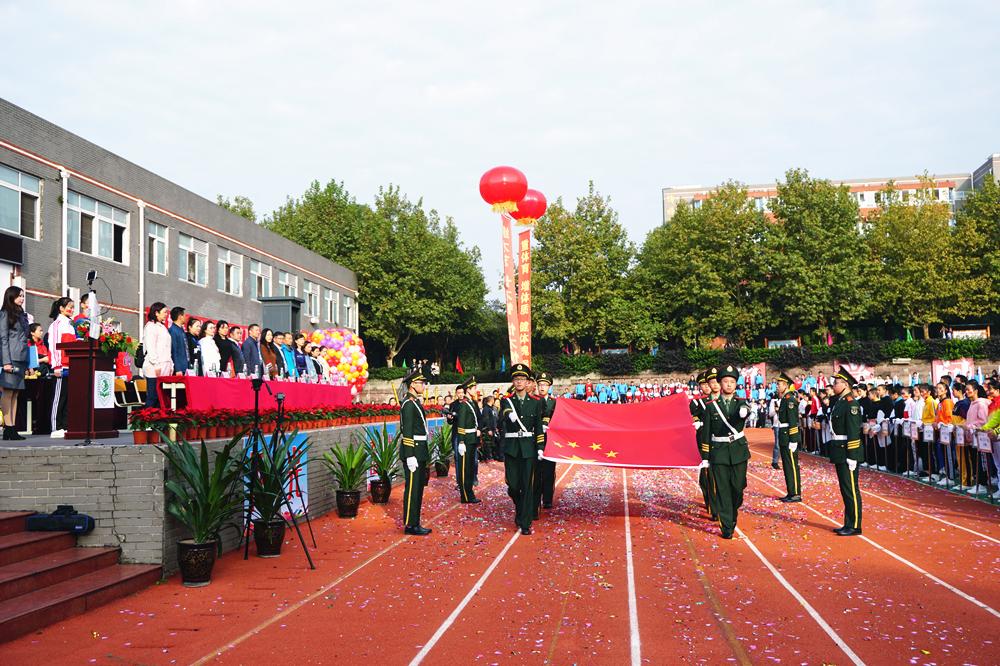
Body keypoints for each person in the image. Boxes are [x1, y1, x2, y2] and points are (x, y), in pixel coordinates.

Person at [698, 365, 750, 539]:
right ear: (720, 384)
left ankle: (733, 510)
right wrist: (705, 458)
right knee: (723, 489)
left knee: (738, 487)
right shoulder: (712, 407)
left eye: (732, 382)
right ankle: (727, 526)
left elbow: (745, 411)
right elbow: (706, 433)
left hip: (738, 451)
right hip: (719, 452)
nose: (729, 385)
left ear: (736, 385)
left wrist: (744, 412)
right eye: (726, 381)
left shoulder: (741, 402)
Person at [501, 364, 545, 536]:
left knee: (527, 486)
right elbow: (504, 412)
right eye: (516, 379)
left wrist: (540, 447)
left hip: (528, 449)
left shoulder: (535, 402)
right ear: (513, 381)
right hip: (512, 448)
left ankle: (525, 522)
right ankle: (520, 508)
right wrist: (508, 414)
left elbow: (538, 427)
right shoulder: (507, 400)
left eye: (522, 379)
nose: (519, 382)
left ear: (527, 382)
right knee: (512, 485)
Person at [828, 367, 864, 536]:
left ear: (845, 384)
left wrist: (852, 455)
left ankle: (855, 525)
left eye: (836, 383)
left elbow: (853, 431)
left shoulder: (851, 404)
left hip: (847, 451)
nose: (833, 385)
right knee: (845, 488)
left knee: (850, 488)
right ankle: (848, 522)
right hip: (839, 450)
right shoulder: (840, 402)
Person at [399, 366, 431, 536]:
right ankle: (410, 524)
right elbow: (408, 431)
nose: (423, 386)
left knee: (418, 488)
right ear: (412, 384)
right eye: (421, 383)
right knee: (412, 488)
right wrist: (410, 455)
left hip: (420, 450)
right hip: (413, 452)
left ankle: (415, 521)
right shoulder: (409, 404)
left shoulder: (415, 402)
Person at [0, 286, 30, 440]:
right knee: (8, 392)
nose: (21, 299)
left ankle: (12, 428)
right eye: (19, 296)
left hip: (22, 358)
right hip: (10, 358)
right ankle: (8, 427)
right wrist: (6, 362)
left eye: (23, 296)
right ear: (11, 297)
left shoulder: (21, 314)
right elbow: (3, 339)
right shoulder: (5, 313)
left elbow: (26, 339)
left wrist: (29, 364)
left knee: (16, 393)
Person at [46, 296, 75, 437]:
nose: (71, 309)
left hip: (72, 366)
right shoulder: (57, 324)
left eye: (73, 306)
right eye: (69, 306)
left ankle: (66, 425)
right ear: (61, 308)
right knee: (59, 397)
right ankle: (56, 427)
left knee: (69, 398)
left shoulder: (71, 325)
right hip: (61, 366)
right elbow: (54, 346)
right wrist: (57, 366)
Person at [691, 371, 716, 518]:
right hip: (703, 441)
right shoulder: (696, 402)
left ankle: (716, 504)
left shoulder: (717, 400)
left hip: (718, 442)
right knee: (707, 475)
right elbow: (694, 418)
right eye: (704, 385)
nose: (707, 387)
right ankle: (711, 505)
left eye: (709, 384)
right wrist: (697, 422)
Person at [775, 371, 802, 503]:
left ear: (786, 385)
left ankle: (796, 493)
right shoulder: (785, 399)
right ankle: (791, 491)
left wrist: (793, 439)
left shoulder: (790, 399)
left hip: (789, 436)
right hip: (784, 434)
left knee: (791, 465)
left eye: (779, 384)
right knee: (787, 465)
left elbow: (792, 421)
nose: (777, 386)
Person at [533, 371, 558, 513]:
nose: (542, 387)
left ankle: (547, 499)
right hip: (536, 439)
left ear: (549, 387)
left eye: (545, 385)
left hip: (550, 440)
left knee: (549, 471)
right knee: (536, 471)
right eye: (540, 384)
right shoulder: (533, 400)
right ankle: (536, 498)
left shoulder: (554, 402)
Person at [454, 377, 481, 504]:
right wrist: (461, 442)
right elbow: (461, 424)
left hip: (472, 439)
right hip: (465, 440)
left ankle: (470, 493)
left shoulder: (472, 403)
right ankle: (465, 495)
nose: (476, 390)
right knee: (465, 469)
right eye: (474, 388)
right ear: (468, 390)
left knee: (470, 468)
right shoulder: (464, 405)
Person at [141, 302, 172, 407]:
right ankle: (145, 421)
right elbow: (151, 348)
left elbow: (167, 348)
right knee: (153, 397)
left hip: (165, 367)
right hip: (154, 368)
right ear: (156, 313)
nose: (166, 314)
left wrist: (171, 364)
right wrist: (156, 364)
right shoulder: (150, 326)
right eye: (164, 312)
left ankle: (158, 422)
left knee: (162, 398)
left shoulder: (163, 327)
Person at [168, 307, 189, 376]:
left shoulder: (181, 330)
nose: (186, 317)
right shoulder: (173, 330)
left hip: (185, 366)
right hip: (179, 368)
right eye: (184, 315)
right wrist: (177, 368)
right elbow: (174, 350)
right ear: (180, 316)